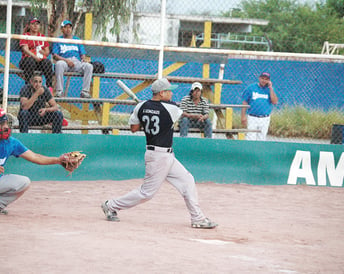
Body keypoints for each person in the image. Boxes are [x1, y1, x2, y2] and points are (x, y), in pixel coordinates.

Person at [101, 78, 218, 229]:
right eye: (169, 91)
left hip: (166, 155)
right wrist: (151, 111)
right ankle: (110, 205)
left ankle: (198, 218)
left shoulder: (141, 106)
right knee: (146, 193)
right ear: (161, 93)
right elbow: (180, 115)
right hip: (158, 157)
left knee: (187, 180)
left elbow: (134, 128)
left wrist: (144, 113)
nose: (171, 93)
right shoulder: (171, 108)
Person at [0, 107, 65, 217]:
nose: (6, 127)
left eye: (7, 123)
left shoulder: (10, 142)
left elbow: (35, 157)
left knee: (24, 182)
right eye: (2, 123)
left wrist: (58, 160)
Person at [52, 20, 93, 98]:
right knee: (59, 64)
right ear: (62, 29)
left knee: (89, 66)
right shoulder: (58, 40)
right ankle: (59, 91)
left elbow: (82, 54)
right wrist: (66, 60)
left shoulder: (77, 39)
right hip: (64, 61)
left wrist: (83, 59)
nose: (68, 29)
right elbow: (55, 55)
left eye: (69, 27)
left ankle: (85, 92)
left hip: (76, 62)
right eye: (65, 27)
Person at [19, 17, 54, 93]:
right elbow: (25, 49)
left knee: (47, 63)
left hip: (39, 61)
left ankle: (49, 87)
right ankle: (28, 86)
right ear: (29, 25)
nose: (35, 26)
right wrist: (34, 56)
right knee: (30, 61)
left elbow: (47, 52)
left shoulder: (42, 37)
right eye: (33, 24)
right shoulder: (25, 35)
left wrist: (42, 52)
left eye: (37, 24)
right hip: (27, 60)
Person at [241, 72, 278, 141]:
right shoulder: (251, 88)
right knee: (250, 137)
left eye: (266, 79)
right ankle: (250, 151)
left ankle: (258, 151)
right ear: (259, 78)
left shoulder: (270, 89)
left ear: (269, 81)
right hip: (252, 117)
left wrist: (271, 89)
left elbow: (274, 102)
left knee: (261, 138)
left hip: (265, 118)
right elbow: (245, 102)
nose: (264, 80)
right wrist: (243, 116)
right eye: (262, 78)